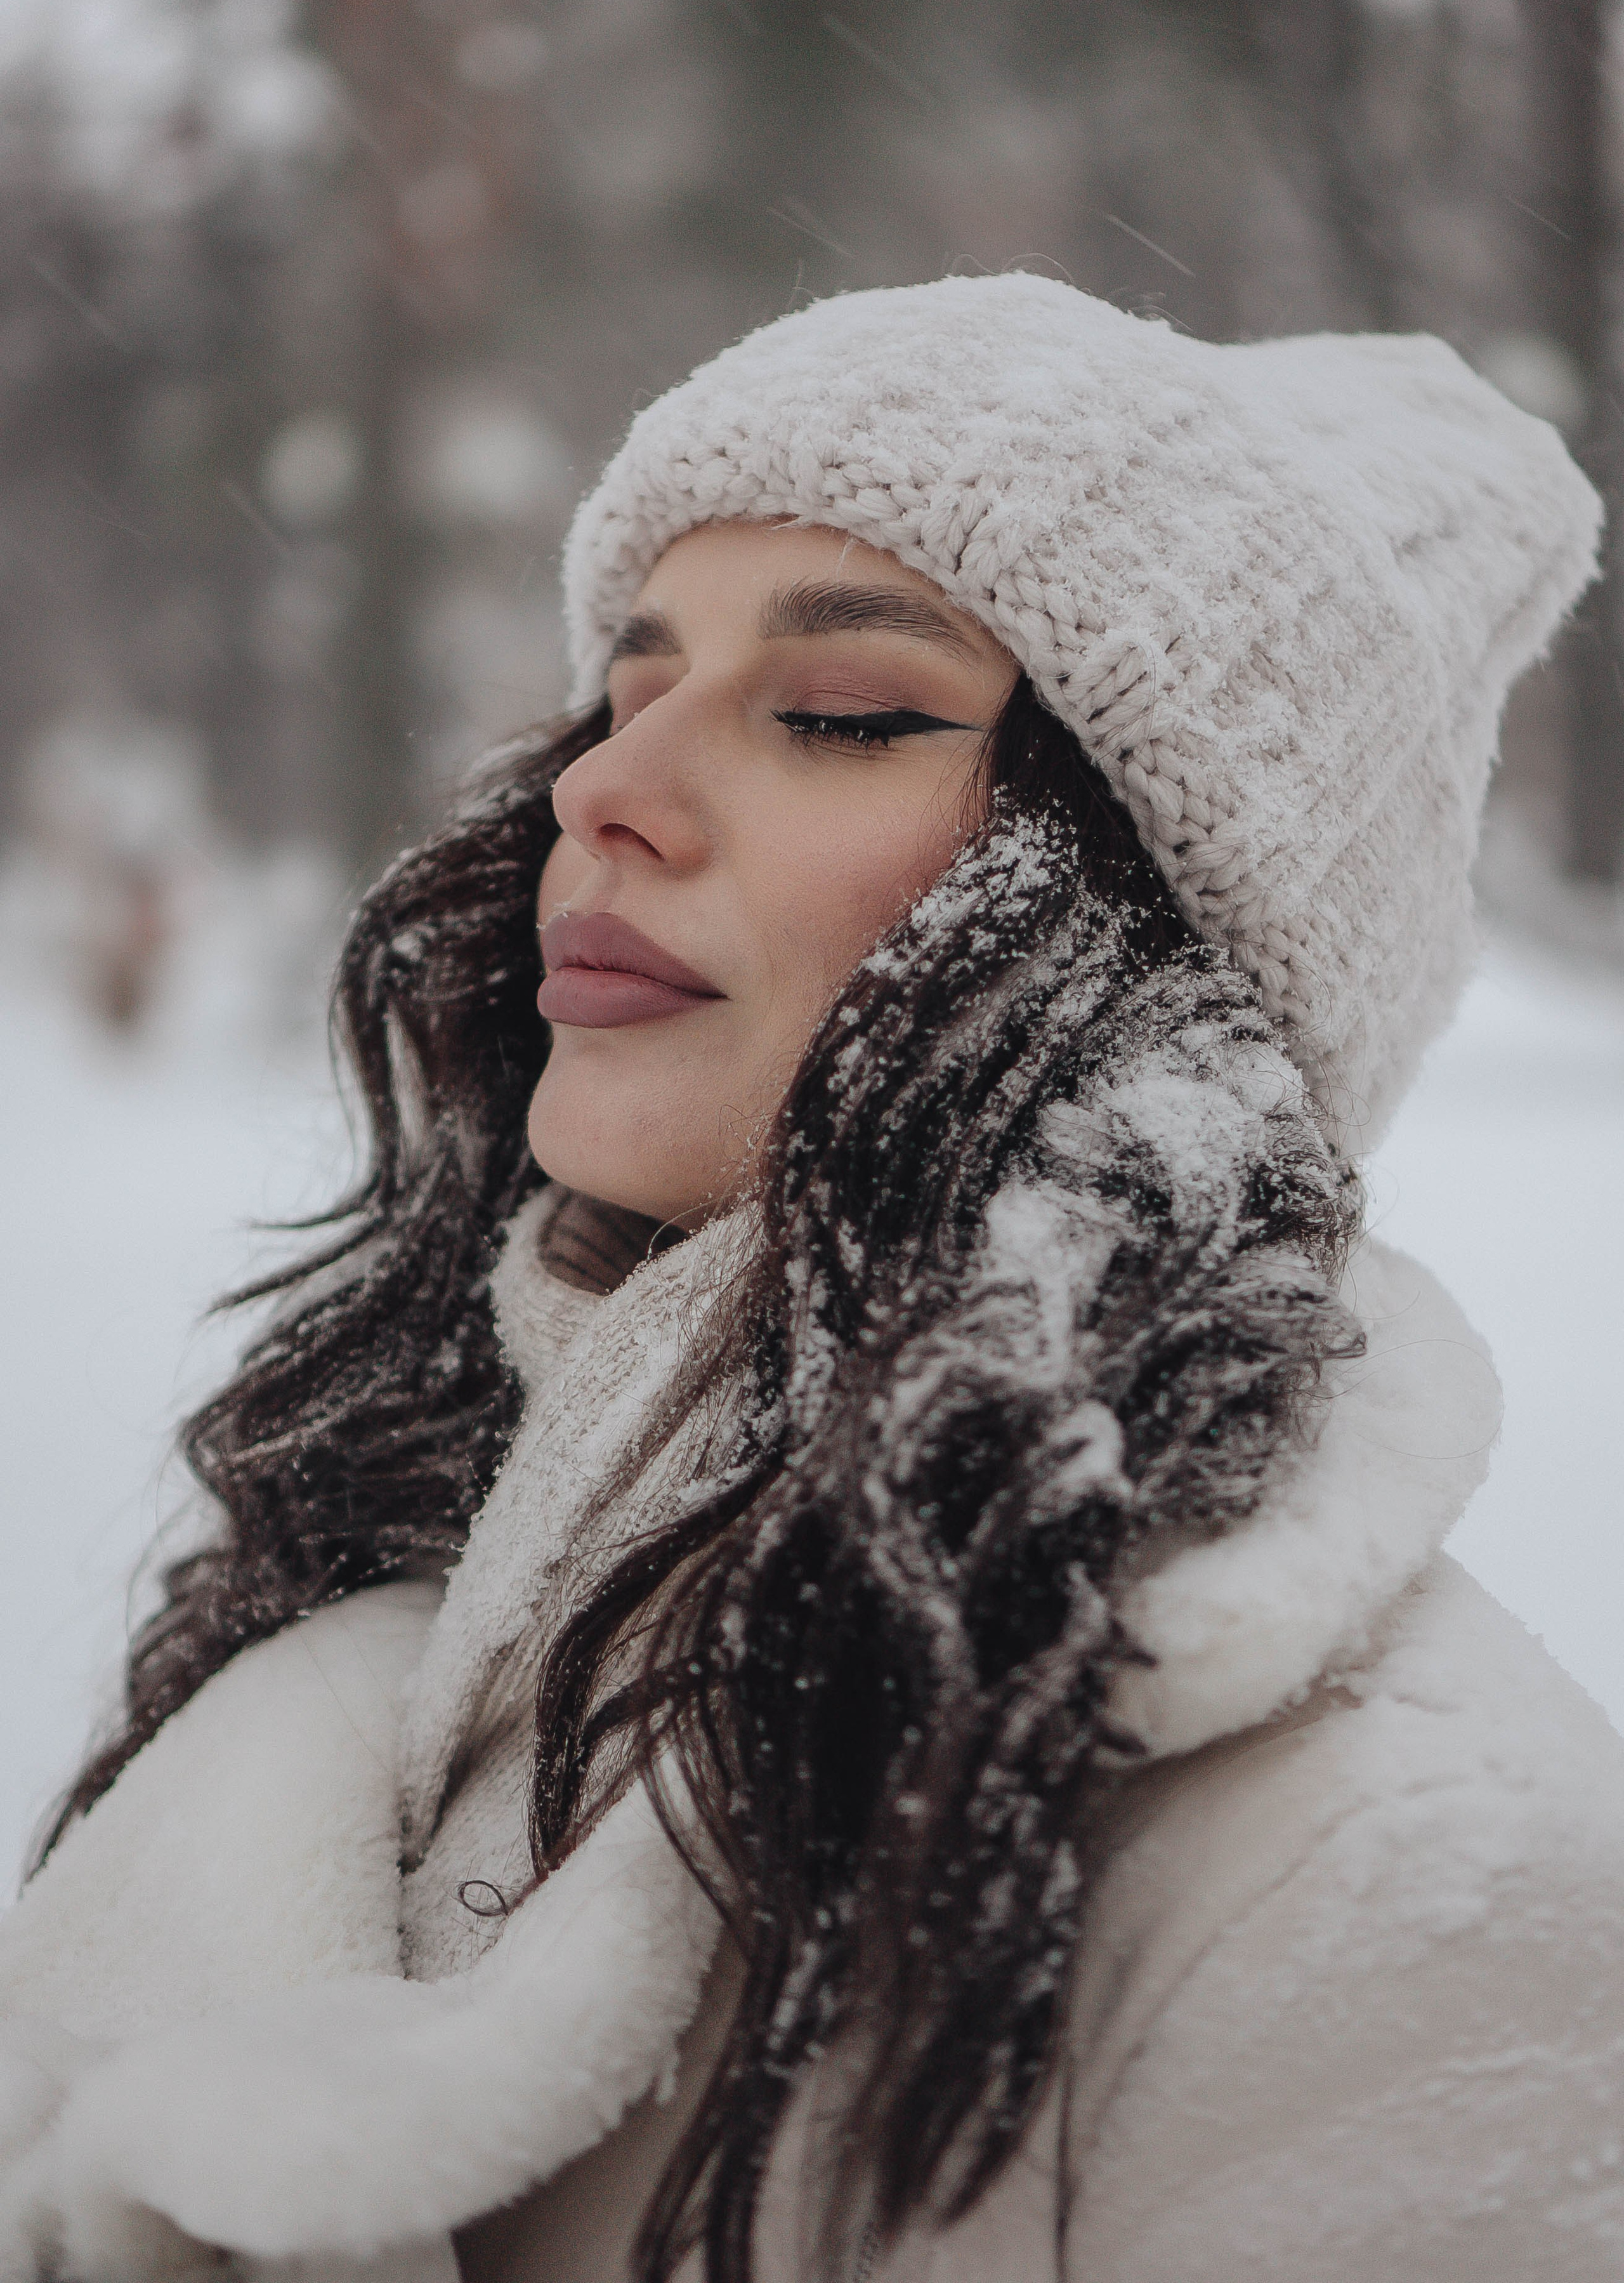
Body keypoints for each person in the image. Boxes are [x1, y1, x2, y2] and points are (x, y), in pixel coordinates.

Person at [1, 273, 1620, 2283]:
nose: (602, 787)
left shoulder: (1392, 1886)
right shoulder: (407, 1590)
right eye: (629, 684)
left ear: (1148, 935)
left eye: (841, 714)